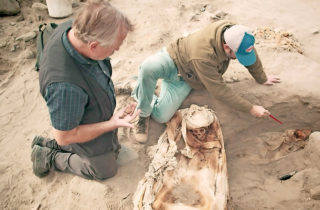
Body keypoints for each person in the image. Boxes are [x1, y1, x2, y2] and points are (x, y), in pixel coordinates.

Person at [31, 1, 140, 180]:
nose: (116, 50)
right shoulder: (65, 88)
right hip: (75, 129)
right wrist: (111, 124)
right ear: (94, 46)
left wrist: (111, 119)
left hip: (85, 112)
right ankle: (46, 157)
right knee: (105, 171)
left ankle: (43, 143)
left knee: (110, 149)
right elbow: (64, 137)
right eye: (113, 49)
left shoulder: (76, 28)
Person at [130, 20, 281, 143]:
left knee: (161, 116)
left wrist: (262, 78)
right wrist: (250, 108)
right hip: (173, 59)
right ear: (227, 47)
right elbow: (219, 90)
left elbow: (249, 53)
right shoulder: (203, 55)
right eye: (237, 55)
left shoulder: (237, 34)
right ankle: (143, 114)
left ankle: (137, 87)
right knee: (148, 68)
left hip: (186, 78)